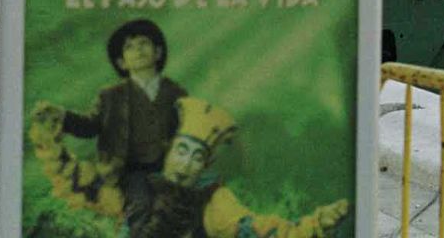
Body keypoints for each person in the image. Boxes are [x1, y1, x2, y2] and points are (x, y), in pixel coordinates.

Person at [29, 95, 349, 238]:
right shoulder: (137, 186)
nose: (186, 163)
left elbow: (264, 231)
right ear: (168, 151)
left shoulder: (213, 202)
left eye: (197, 157)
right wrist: (48, 140)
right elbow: (80, 185)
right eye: (183, 150)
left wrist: (316, 225)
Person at [30, 19, 188, 235]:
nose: (138, 50)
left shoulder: (176, 94)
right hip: (129, 170)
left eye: (144, 43)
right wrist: (63, 117)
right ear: (122, 62)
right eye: (129, 47)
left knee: (179, 209)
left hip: (168, 169)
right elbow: (90, 126)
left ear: (158, 52)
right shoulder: (110, 97)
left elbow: (187, 131)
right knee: (141, 205)